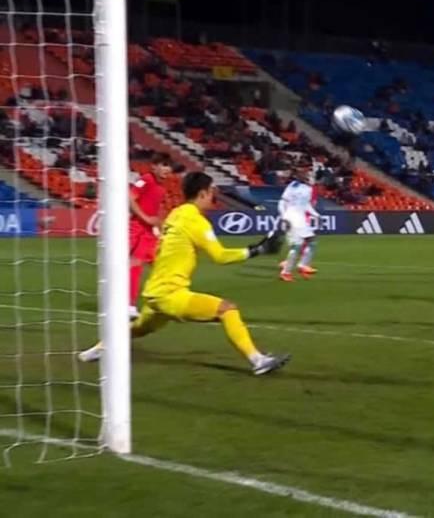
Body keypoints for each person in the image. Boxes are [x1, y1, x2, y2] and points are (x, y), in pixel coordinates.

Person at [79, 172, 290, 376]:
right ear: (203, 194)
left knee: (138, 329)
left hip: (155, 291)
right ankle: (258, 361)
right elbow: (220, 256)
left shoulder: (175, 213)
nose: (213, 198)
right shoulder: (195, 221)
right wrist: (256, 250)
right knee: (227, 309)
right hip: (171, 293)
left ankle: (96, 350)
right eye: (211, 193)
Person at [128, 152, 173, 319]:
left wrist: (160, 227)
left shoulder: (161, 187)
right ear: (154, 166)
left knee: (162, 264)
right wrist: (145, 217)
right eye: (163, 165)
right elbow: (130, 197)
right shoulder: (146, 179)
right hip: (138, 228)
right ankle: (128, 305)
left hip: (149, 231)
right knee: (135, 265)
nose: (166, 169)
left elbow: (155, 210)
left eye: (168, 166)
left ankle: (163, 300)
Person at [278, 163, 320, 282]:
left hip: (301, 218)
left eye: (306, 174)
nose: (305, 175)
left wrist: (316, 215)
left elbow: (305, 205)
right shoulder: (292, 186)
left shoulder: (308, 189)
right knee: (296, 246)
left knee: (312, 242)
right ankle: (285, 272)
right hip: (291, 217)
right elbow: (282, 202)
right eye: (302, 174)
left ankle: (302, 265)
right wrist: (284, 217)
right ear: (298, 176)